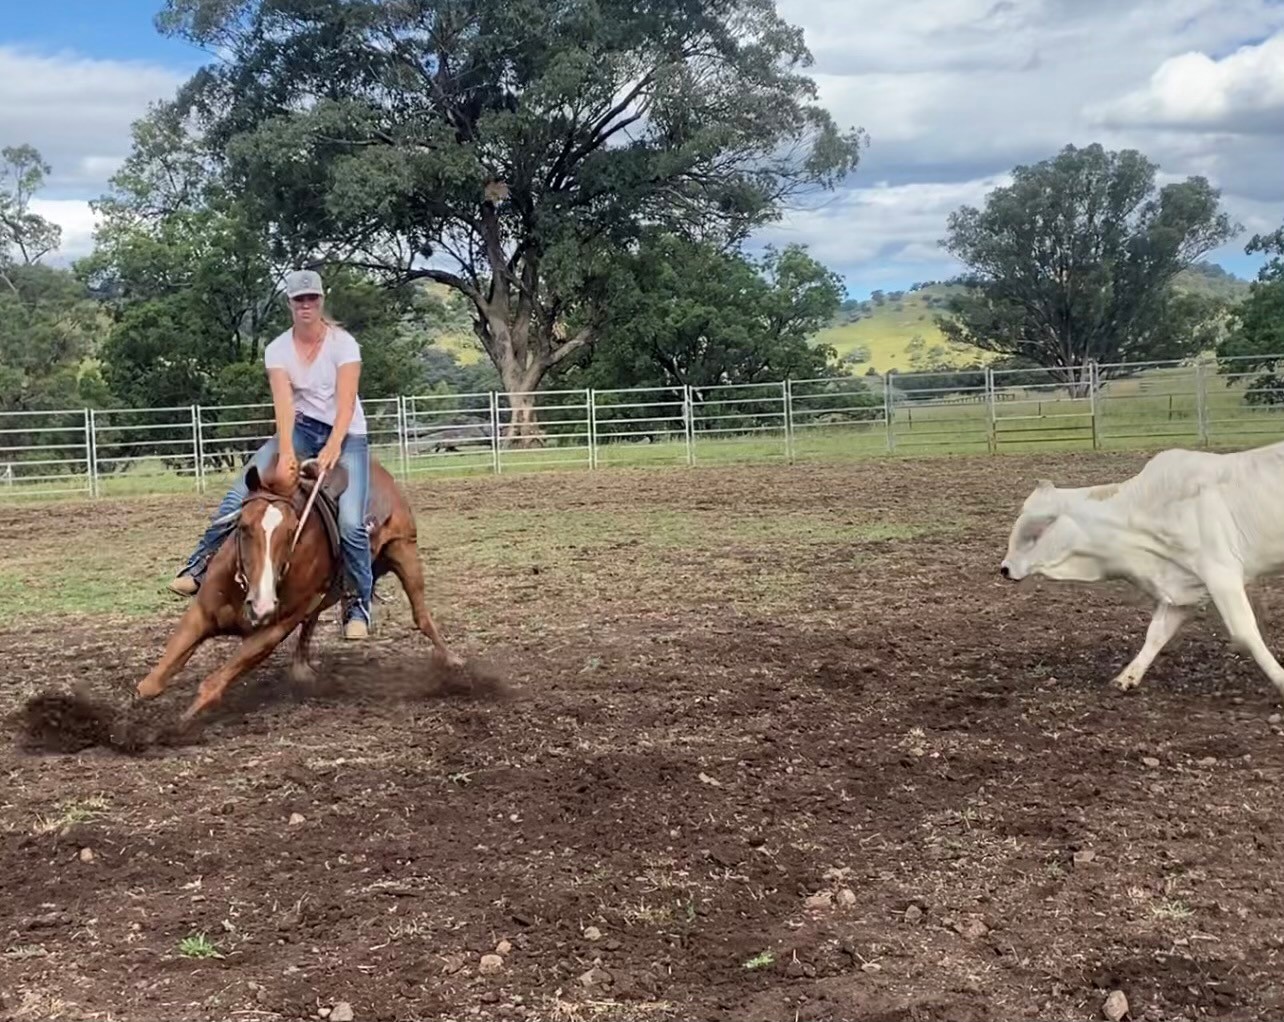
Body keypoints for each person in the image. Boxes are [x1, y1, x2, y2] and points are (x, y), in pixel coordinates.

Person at [169, 268, 375, 640]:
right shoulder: (277, 349)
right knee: (239, 493)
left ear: (321, 300)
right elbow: (284, 405)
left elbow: (346, 404)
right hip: (301, 428)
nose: (306, 305)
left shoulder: (344, 344)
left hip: (348, 434)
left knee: (351, 524)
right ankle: (198, 565)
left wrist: (333, 446)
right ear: (289, 304)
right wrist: (286, 452)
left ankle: (358, 604)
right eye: (299, 299)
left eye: (311, 298)